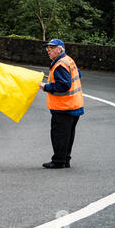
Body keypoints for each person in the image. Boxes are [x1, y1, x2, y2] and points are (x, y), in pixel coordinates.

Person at [39, 38, 84, 169]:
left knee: (59, 135)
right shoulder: (68, 60)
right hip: (74, 105)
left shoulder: (59, 64)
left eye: (51, 48)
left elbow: (64, 85)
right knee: (68, 135)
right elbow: (77, 75)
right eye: (47, 48)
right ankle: (65, 159)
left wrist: (46, 87)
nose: (48, 51)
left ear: (59, 49)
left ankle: (58, 161)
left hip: (64, 107)